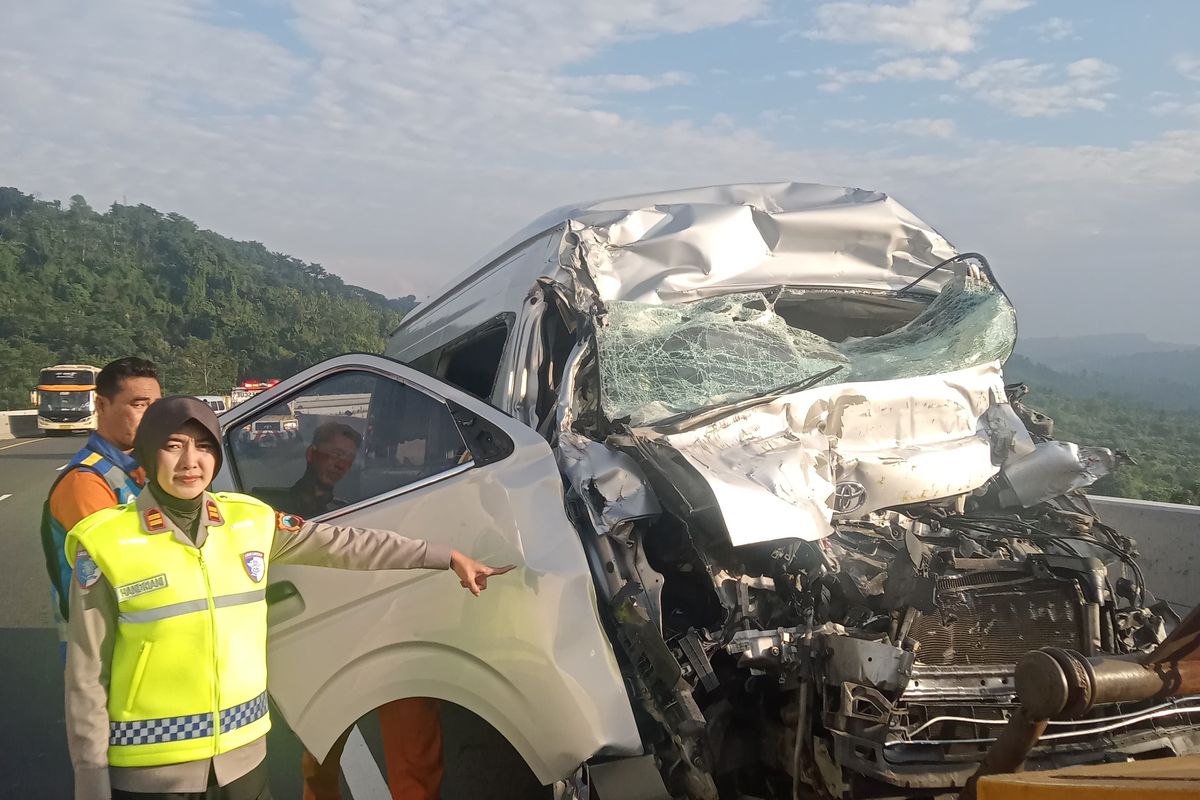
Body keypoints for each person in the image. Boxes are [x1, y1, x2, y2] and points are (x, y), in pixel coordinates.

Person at [64, 397, 514, 800]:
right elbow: (86, 677)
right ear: (149, 451)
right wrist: (90, 780)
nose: (190, 461)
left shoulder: (249, 521)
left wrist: (445, 556)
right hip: (149, 774)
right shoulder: (107, 543)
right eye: (173, 445)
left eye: (204, 447)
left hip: (244, 762)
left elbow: (347, 544)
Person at [255, 421, 447, 800]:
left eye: (348, 457)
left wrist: (447, 558)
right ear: (311, 454)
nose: (341, 463)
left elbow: (374, 549)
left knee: (416, 760)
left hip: (378, 631)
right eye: (334, 453)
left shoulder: (358, 511)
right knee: (318, 759)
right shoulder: (267, 511)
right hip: (316, 641)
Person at [41, 357, 161, 645]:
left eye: (155, 406)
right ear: (102, 405)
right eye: (138, 404)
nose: (151, 416)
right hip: (101, 642)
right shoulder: (86, 481)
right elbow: (120, 567)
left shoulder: (142, 465)